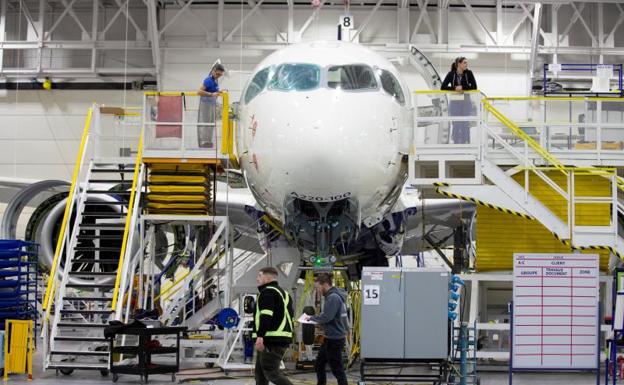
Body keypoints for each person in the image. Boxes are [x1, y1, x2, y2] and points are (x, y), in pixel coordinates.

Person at [252, 267, 294, 385]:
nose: (257, 279)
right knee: (260, 374)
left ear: (267, 277)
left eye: (259, 276)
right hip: (279, 338)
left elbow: (266, 316)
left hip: (271, 339)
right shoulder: (284, 294)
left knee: (271, 373)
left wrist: (260, 336)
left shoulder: (267, 292)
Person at [306, 273, 349, 385]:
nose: (318, 291)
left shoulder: (333, 297)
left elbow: (327, 317)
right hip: (330, 338)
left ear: (325, 284)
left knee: (337, 369)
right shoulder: (332, 296)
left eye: (318, 287)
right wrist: (319, 323)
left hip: (334, 339)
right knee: (319, 364)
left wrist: (310, 318)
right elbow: (331, 318)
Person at [441, 57, 477, 144]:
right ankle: (456, 142)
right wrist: (454, 88)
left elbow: (474, 87)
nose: (466, 64)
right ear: (459, 64)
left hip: (466, 102)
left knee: (465, 123)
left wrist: (463, 87)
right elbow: (443, 87)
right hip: (454, 102)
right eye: (464, 63)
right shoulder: (451, 74)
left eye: (466, 63)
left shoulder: (469, 73)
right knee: (456, 123)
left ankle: (466, 143)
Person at [197, 64, 225, 148]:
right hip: (206, 105)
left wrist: (219, 91)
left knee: (211, 123)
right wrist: (211, 94)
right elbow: (199, 91)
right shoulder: (208, 80)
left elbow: (214, 90)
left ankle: (208, 141)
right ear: (213, 72)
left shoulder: (215, 80)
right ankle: (205, 142)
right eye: (217, 74)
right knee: (207, 124)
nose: (218, 76)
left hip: (211, 105)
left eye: (220, 75)